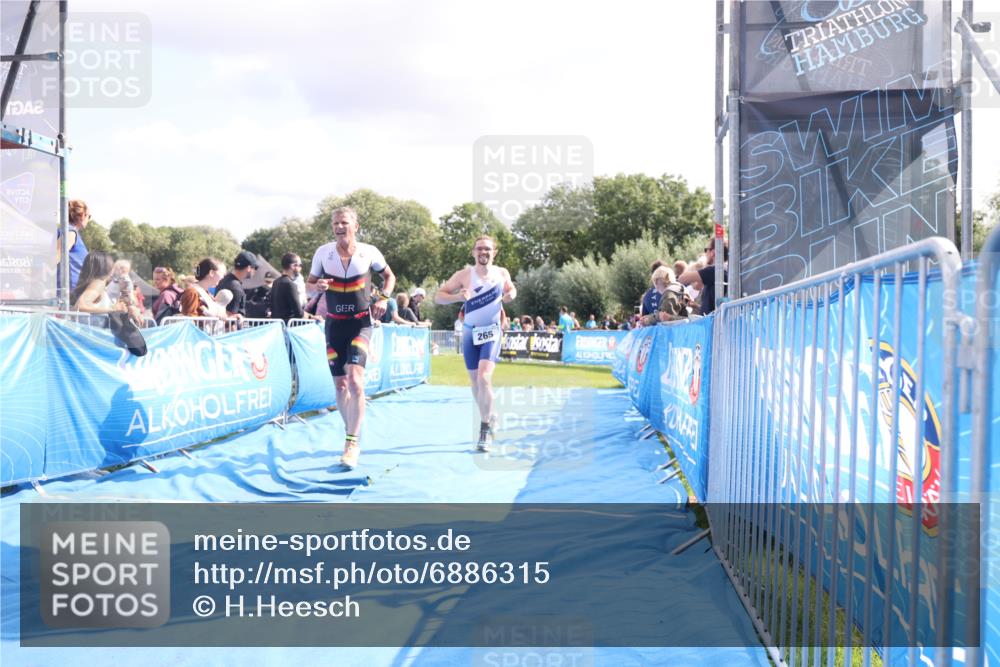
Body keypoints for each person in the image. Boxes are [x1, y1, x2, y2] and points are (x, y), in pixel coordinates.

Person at [307, 206, 395, 470]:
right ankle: (351, 431)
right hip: (334, 325)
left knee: (356, 380)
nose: (339, 227)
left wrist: (383, 298)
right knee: (341, 386)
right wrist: (317, 286)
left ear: (356, 226)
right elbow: (309, 283)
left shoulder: (370, 252)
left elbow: (389, 276)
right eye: (335, 223)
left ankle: (351, 442)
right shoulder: (323, 253)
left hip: (360, 323)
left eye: (344, 222)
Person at [435, 235, 516, 452]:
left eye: (487, 249)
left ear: (494, 252)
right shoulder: (463, 275)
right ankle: (490, 415)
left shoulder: (501, 272)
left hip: (492, 331)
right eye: (479, 249)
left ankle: (485, 429)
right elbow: (438, 297)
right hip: (470, 333)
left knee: (484, 377)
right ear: (473, 252)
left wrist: (510, 296)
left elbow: (510, 289)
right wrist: (458, 298)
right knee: (475, 383)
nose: (483, 252)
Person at [70, 251, 129, 318]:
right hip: (91, 327)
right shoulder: (98, 283)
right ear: (107, 267)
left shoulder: (92, 283)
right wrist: (113, 308)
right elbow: (79, 306)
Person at [679, 238, 728, 315]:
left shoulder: (713, 270)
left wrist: (700, 268)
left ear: (713, 252)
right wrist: (695, 306)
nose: (705, 253)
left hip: (712, 325)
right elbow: (712, 307)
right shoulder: (726, 269)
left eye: (706, 250)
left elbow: (682, 278)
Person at [56, 199, 91, 293]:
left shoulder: (69, 232)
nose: (89, 220)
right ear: (82, 216)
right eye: (89, 216)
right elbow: (56, 256)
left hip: (72, 292)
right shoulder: (70, 232)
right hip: (69, 295)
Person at [216, 250, 258, 318]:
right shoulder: (236, 289)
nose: (255, 271)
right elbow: (231, 319)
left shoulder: (223, 280)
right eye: (255, 268)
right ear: (249, 268)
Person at [270, 253, 306, 323]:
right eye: (300, 265)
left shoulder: (276, 282)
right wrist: (311, 316)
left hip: (277, 326)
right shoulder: (290, 284)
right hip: (287, 327)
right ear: (293, 266)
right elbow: (299, 313)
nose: (301, 268)